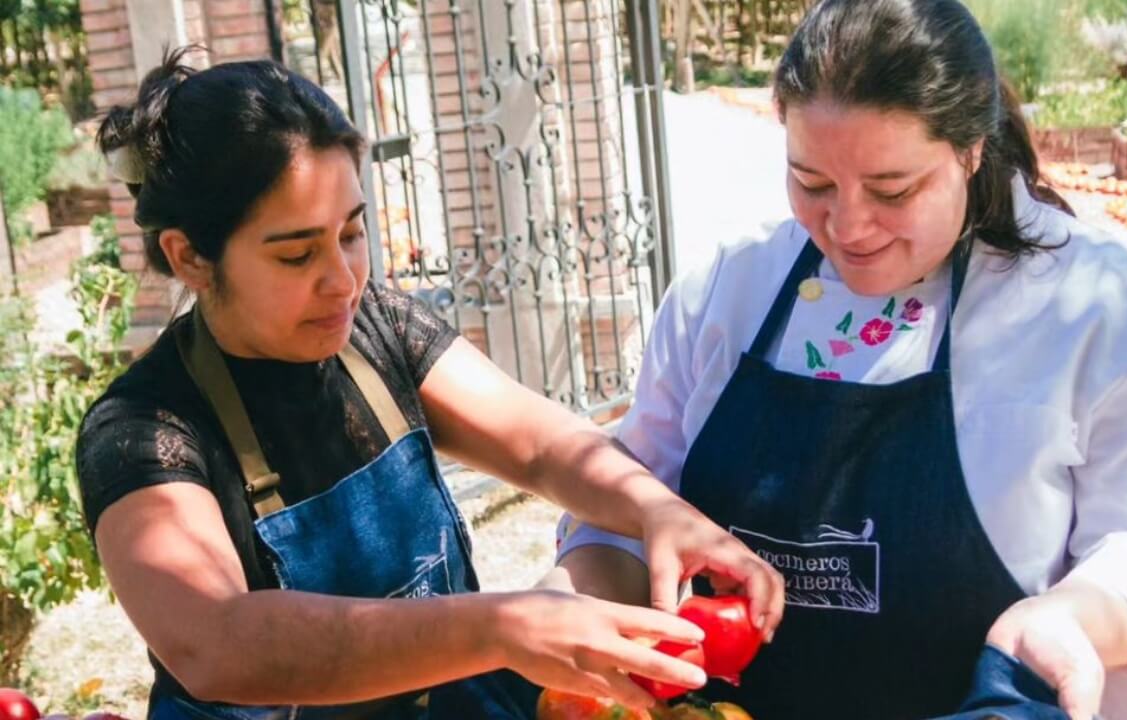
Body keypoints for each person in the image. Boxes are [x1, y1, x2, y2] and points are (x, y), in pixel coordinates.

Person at [550, 1, 1127, 718]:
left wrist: (1075, 617)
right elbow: (618, 510)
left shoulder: (1105, 316)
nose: (848, 226)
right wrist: (595, 622)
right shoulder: (724, 294)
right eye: (813, 183)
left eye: (894, 190)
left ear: (972, 149)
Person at [74, 49, 785, 720]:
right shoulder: (143, 430)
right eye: (297, 254)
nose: (344, 280)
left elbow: (539, 444)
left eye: (352, 234)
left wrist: (657, 512)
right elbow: (218, 642)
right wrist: (499, 627)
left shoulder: (377, 329)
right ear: (190, 257)